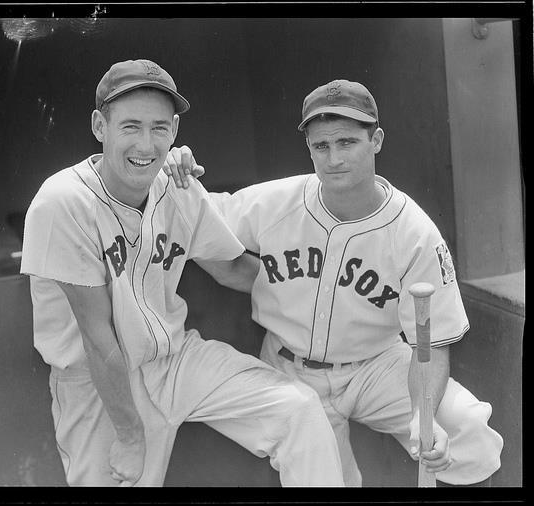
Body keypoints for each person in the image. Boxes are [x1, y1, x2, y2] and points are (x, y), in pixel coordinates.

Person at [20, 59, 345, 487]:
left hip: (174, 361)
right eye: (130, 126)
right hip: (98, 388)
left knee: (298, 411)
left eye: (158, 128)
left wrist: (323, 297)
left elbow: (231, 268)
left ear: (174, 130)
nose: (146, 143)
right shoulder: (62, 202)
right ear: (100, 125)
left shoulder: (177, 187)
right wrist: (130, 435)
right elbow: (99, 341)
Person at [163, 79, 504, 486]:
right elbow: (199, 216)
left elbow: (431, 345)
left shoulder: (414, 233)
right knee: (325, 482)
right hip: (291, 366)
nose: (334, 158)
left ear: (375, 140)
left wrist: (421, 414)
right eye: (321, 146)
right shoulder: (277, 202)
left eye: (347, 142)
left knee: (466, 430)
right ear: (309, 147)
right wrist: (177, 173)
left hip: (376, 366)